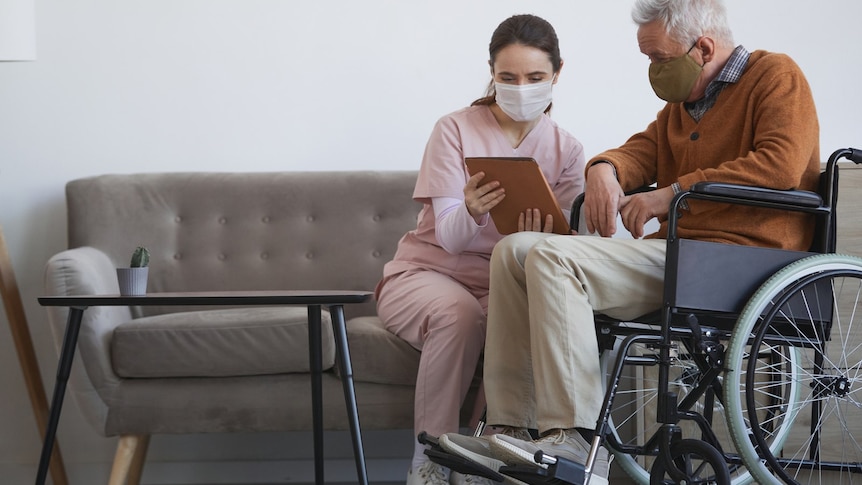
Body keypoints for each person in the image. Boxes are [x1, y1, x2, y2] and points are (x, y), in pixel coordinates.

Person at [437, 1, 820, 484]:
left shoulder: (775, 75)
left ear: (702, 48)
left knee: (554, 257)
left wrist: (672, 193)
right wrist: (604, 169)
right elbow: (638, 151)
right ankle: (511, 426)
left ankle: (572, 437)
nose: (653, 71)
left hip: (743, 259)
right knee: (515, 249)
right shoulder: (684, 106)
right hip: (685, 257)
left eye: (658, 59)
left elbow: (780, 165)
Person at [374, 13, 586, 485]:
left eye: (534, 78)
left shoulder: (567, 150)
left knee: (523, 322)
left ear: (557, 73)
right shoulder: (453, 129)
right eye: (507, 77)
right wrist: (470, 210)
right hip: (428, 274)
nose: (521, 88)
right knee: (460, 314)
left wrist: (533, 239)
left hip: (502, 281)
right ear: (491, 73)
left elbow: (569, 246)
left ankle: (480, 460)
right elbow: (448, 238)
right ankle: (428, 461)